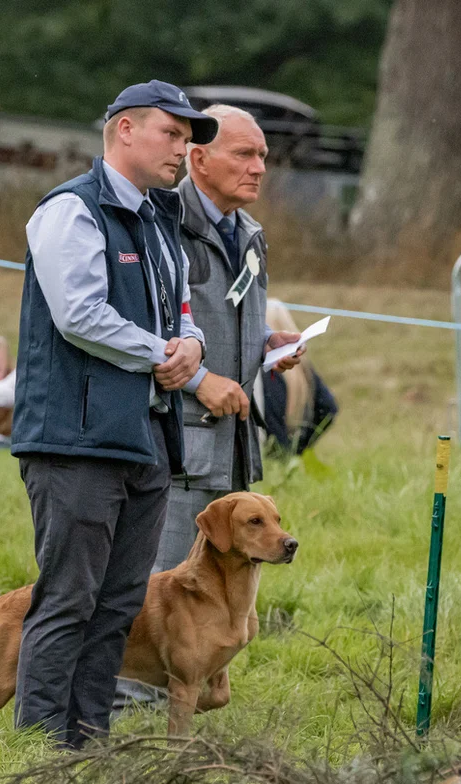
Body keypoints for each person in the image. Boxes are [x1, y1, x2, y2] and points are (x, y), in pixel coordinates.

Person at [11, 80, 216, 749]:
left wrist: (193, 346)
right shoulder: (69, 210)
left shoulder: (161, 220)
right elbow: (79, 315)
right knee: (69, 599)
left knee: (119, 604)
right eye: (172, 134)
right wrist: (163, 350)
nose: (183, 151)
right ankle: (39, 753)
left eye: (189, 139)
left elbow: (181, 314)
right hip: (75, 437)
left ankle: (88, 745)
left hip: (147, 436)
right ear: (124, 129)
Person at [153, 104, 303, 573]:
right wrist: (199, 379)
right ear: (199, 160)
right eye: (243, 154)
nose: (259, 167)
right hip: (177, 450)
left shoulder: (251, 234)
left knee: (219, 607)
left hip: (233, 448)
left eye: (262, 155)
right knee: (159, 594)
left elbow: (221, 315)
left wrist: (266, 340)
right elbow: (145, 329)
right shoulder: (160, 224)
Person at [259, 299, 338, 455]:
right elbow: (328, 408)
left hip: (266, 457)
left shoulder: (264, 370)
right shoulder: (302, 368)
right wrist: (296, 449)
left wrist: (278, 450)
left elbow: (267, 417)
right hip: (284, 457)